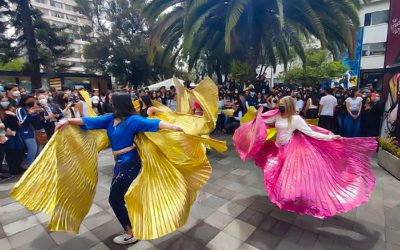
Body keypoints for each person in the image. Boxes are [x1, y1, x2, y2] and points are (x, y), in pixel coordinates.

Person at [55, 92, 183, 245]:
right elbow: (89, 120)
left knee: (115, 199)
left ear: (119, 104)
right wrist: (68, 121)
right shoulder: (110, 119)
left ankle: (131, 233)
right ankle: (133, 225)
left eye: (112, 101)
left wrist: (174, 126)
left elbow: (154, 123)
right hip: (120, 163)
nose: (110, 104)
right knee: (118, 198)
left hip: (130, 163)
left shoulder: (132, 120)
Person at [233, 96, 377, 218]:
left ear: (289, 106)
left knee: (289, 177)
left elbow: (311, 133)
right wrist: (257, 117)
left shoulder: (296, 119)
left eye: (283, 105)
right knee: (275, 173)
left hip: (290, 150)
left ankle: (295, 197)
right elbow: (263, 121)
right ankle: (286, 195)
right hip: (277, 148)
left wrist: (331, 137)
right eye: (279, 105)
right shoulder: (277, 115)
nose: (280, 107)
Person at [0, 95, 25, 175]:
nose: (5, 102)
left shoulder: (12, 109)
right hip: (6, 132)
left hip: (15, 130)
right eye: (3, 101)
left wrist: (13, 114)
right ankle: (12, 169)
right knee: (11, 149)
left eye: (6, 100)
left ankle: (18, 167)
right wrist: (6, 129)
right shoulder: (1, 112)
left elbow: (17, 121)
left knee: (20, 148)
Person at [16, 95, 43, 168]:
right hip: (27, 132)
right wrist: (29, 114)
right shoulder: (20, 109)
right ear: (25, 100)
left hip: (37, 130)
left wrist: (39, 113)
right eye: (30, 100)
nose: (32, 101)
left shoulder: (33, 108)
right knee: (33, 149)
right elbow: (22, 123)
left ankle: (36, 166)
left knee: (39, 149)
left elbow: (38, 120)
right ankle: (26, 165)